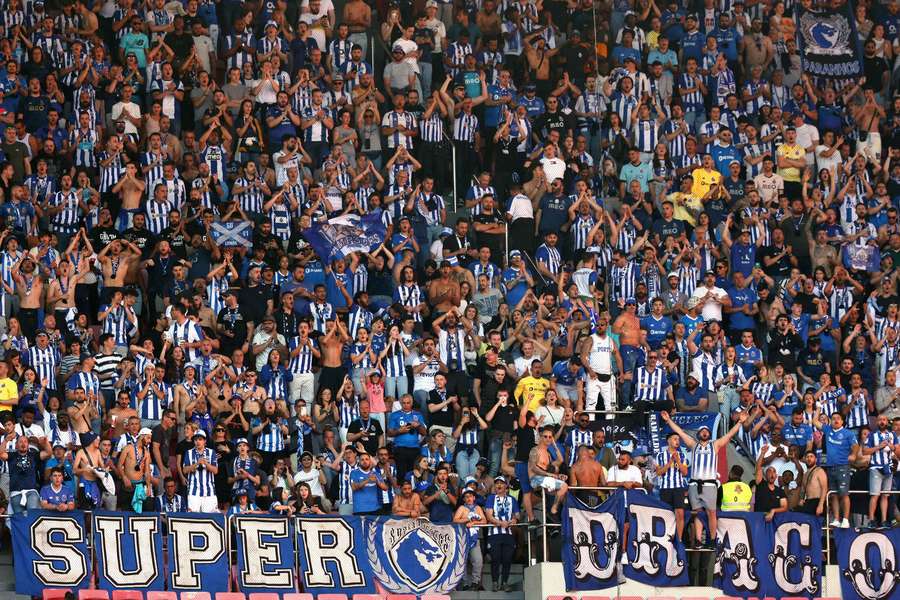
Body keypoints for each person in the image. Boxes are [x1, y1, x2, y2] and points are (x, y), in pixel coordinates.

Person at [661, 410, 748, 546]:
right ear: (699, 434)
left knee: (711, 513)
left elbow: (730, 434)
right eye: (703, 431)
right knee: (697, 513)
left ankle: (712, 539)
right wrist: (668, 421)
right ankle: (697, 539)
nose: (705, 432)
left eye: (707, 431)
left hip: (709, 485)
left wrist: (740, 422)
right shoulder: (693, 445)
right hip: (695, 485)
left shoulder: (715, 445)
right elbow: (680, 432)